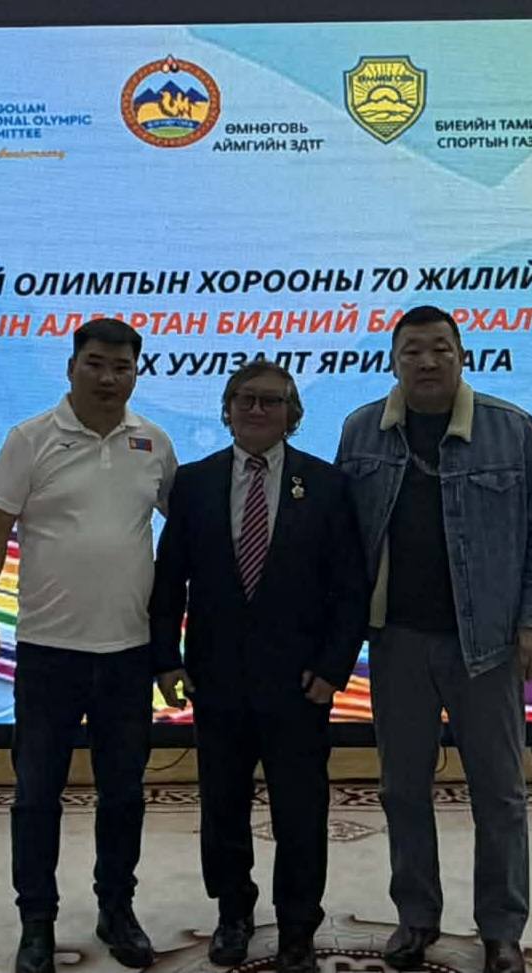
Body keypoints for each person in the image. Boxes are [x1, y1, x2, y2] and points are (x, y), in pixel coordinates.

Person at [335, 306, 532, 973]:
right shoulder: (361, 431)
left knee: (499, 793)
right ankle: (416, 918)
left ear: (462, 356)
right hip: (397, 643)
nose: (427, 361)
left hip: (488, 645)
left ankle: (501, 929)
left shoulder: (512, 430)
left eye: (440, 348)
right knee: (402, 789)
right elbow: (339, 538)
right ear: (393, 361)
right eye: (412, 350)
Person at [0, 318, 177, 973]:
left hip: (127, 652)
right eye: (95, 364)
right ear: (71, 367)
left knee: (124, 793)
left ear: (135, 373)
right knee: (36, 795)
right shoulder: (29, 439)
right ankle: (36, 922)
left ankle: (117, 909)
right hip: (48, 650)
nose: (108, 377)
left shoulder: (153, 443)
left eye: (121, 367)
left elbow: (188, 535)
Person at [150, 362, 367, 973]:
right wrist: (165, 659)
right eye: (244, 399)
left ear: (293, 415)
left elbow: (350, 588)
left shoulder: (326, 485)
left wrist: (333, 668)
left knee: (301, 812)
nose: (256, 409)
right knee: (222, 807)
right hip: (215, 680)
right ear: (226, 409)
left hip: (300, 685)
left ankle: (298, 927)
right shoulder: (194, 483)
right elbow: (169, 582)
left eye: (271, 401)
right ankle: (233, 913)